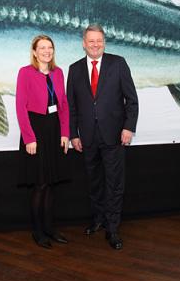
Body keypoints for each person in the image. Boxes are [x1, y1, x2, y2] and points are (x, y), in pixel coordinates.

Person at [66, 24, 138, 250]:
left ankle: (113, 228)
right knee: (94, 182)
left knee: (114, 183)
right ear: (84, 43)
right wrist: (72, 134)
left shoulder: (118, 64)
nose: (95, 45)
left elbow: (132, 100)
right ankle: (98, 219)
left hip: (114, 135)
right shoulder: (75, 69)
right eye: (91, 41)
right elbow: (72, 106)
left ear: (104, 42)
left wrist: (128, 127)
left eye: (99, 41)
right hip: (87, 137)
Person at [15, 34, 71, 249]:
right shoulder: (25, 73)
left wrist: (65, 134)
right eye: (42, 48)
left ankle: (50, 228)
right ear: (35, 52)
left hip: (54, 130)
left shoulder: (58, 73)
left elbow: (63, 104)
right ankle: (38, 232)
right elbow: (21, 108)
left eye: (50, 48)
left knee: (51, 184)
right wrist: (29, 137)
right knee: (39, 184)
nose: (47, 51)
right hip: (35, 130)